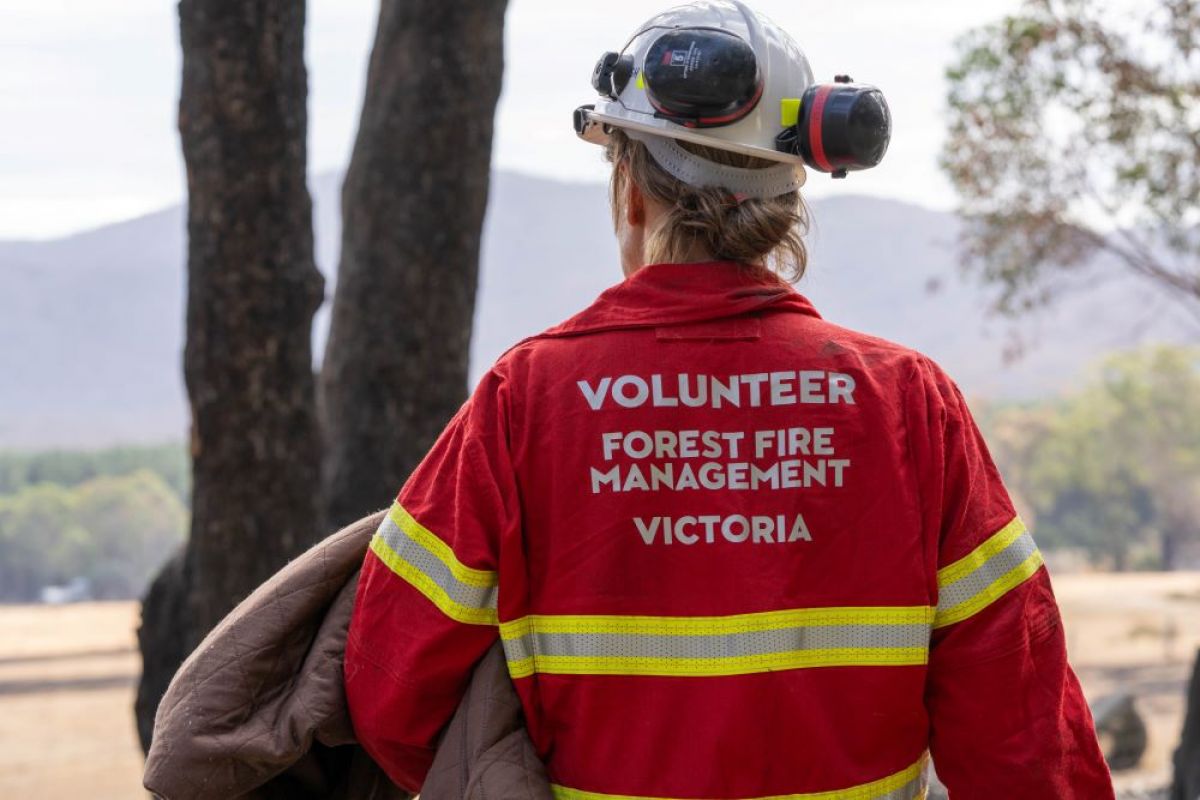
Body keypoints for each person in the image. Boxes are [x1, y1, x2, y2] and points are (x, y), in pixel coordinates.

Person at [343, 2, 1115, 798]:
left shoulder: (525, 400)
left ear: (630, 190)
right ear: (791, 194)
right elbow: (1022, 734)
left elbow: (390, 686)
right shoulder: (911, 406)